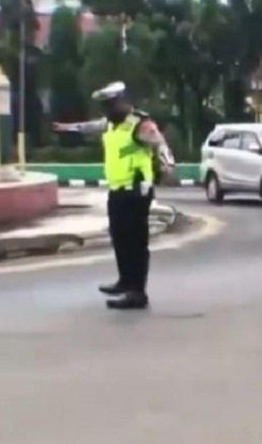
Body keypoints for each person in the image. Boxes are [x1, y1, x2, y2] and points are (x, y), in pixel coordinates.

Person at [54, 82, 175, 309]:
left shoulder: (140, 124)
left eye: (111, 105)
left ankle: (137, 292)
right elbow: (89, 127)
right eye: (105, 107)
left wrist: (168, 166)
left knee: (135, 242)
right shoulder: (110, 125)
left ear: (122, 102)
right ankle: (124, 281)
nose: (107, 111)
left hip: (137, 191)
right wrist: (67, 128)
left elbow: (160, 144)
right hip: (117, 190)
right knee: (119, 237)